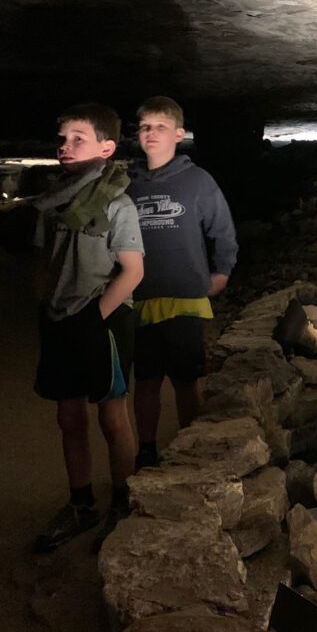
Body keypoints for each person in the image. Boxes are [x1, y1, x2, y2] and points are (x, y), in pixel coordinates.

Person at [31, 103, 144, 553]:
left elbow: (132, 271)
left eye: (78, 138)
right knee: (68, 417)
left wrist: (91, 320)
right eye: (62, 138)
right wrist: (46, 306)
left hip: (104, 320)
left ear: (106, 147)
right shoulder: (50, 204)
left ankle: (123, 501)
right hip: (60, 320)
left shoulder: (118, 203)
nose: (65, 146)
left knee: (112, 416)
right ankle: (81, 505)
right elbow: (41, 263)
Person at [126, 96, 237, 469]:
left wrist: (221, 272)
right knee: (146, 380)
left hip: (187, 296)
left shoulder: (198, 182)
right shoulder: (127, 184)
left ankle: (191, 445)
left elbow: (222, 230)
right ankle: (146, 450)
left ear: (179, 133)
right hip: (139, 298)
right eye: (144, 127)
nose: (151, 134)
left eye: (159, 126)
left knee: (187, 380)